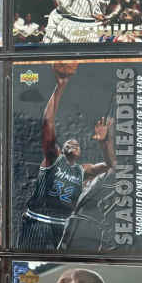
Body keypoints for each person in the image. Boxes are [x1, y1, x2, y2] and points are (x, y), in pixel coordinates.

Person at [17, 66, 114, 252]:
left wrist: (104, 142)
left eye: (76, 144)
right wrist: (60, 87)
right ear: (62, 150)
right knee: (27, 259)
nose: (73, 144)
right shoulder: (54, 159)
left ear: (80, 153)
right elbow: (47, 123)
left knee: (51, 262)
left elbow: (110, 165)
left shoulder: (83, 170)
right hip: (37, 221)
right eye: (69, 143)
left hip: (61, 226)